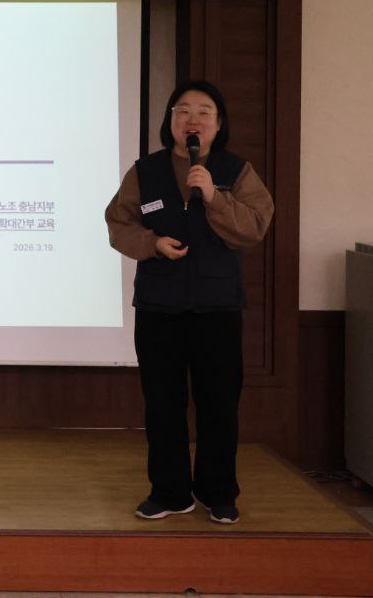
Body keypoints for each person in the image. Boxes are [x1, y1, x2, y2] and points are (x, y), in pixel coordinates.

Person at [104, 79, 273, 525]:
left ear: (218, 124)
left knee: (218, 404)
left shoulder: (236, 171)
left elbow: (255, 226)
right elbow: (118, 223)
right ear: (171, 121)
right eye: (182, 111)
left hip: (217, 307)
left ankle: (218, 492)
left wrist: (214, 196)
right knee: (163, 403)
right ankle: (169, 491)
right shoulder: (145, 171)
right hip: (159, 306)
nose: (192, 119)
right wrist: (152, 243)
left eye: (203, 112)